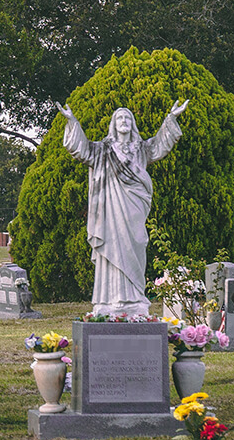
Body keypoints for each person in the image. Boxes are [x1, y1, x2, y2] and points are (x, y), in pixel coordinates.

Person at [56, 100, 188, 316]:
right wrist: (72, 122)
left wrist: (171, 118)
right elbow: (83, 151)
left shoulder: (141, 148)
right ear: (113, 124)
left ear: (132, 123)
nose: (124, 121)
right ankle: (110, 299)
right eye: (120, 118)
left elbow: (159, 146)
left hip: (135, 206)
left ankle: (135, 297)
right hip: (110, 210)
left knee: (136, 244)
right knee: (112, 247)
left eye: (127, 118)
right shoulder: (103, 149)